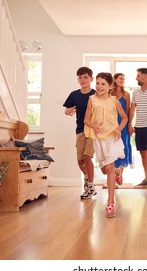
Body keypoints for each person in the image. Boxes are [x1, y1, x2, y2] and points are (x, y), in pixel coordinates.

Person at [84, 72, 127, 218]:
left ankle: (110, 204)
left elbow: (125, 118)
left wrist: (118, 129)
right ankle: (117, 172)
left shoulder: (114, 100)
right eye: (98, 83)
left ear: (110, 86)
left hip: (112, 138)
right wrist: (93, 125)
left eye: (103, 84)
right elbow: (86, 120)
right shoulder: (92, 99)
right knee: (105, 170)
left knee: (108, 168)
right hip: (99, 139)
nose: (99, 86)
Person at [63, 66, 96, 200]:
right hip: (80, 130)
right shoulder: (74, 94)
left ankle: (91, 185)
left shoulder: (95, 94)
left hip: (92, 131)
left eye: (85, 77)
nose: (82, 79)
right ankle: (88, 180)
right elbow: (66, 110)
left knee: (87, 157)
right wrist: (68, 111)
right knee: (80, 160)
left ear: (91, 79)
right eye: (80, 77)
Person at [109, 73, 132, 187]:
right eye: (120, 78)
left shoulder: (126, 94)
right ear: (115, 80)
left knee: (123, 148)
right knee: (111, 147)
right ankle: (114, 172)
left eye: (124, 79)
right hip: (111, 125)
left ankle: (120, 173)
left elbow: (127, 111)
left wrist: (129, 125)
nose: (123, 80)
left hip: (123, 124)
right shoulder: (109, 93)